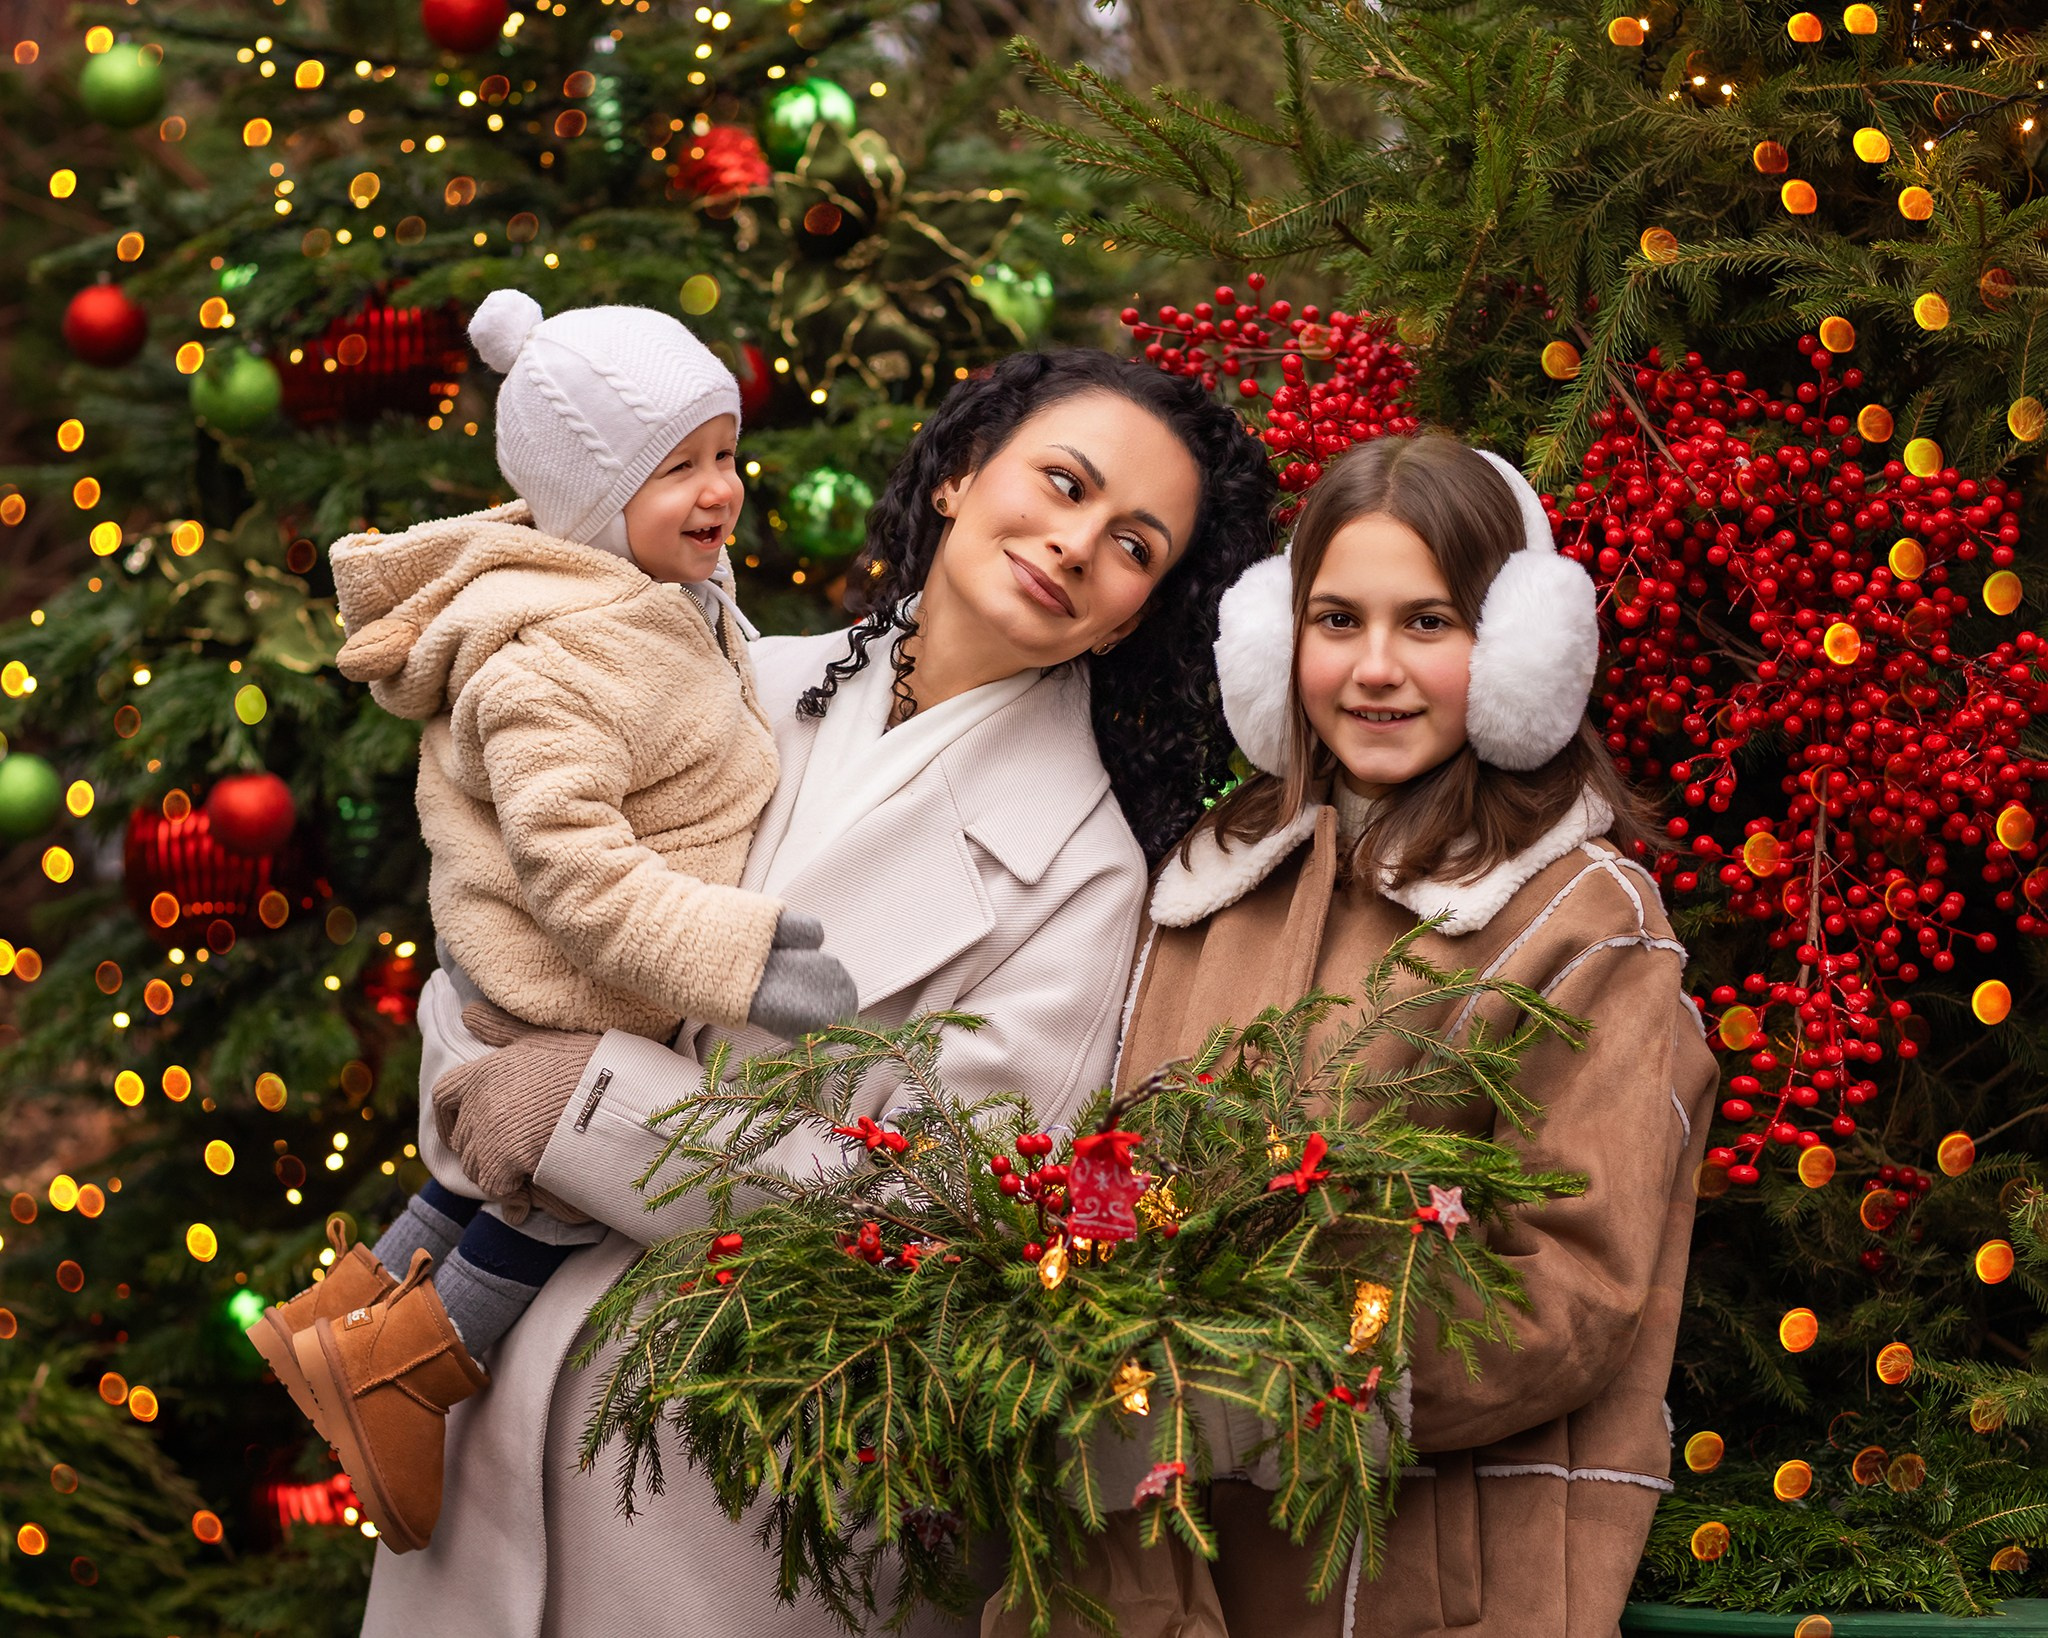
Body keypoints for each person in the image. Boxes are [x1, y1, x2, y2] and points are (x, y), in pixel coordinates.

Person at [356, 348, 1280, 1637]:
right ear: (959, 477)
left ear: (1132, 614)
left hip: (723, 1506)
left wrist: (592, 1110)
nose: (1074, 543)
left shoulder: (1083, 876)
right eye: (1059, 483)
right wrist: (489, 1074)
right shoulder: (715, 666)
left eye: (1131, 543)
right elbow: (491, 939)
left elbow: (939, 1211)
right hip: (481, 1444)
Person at [1039, 431, 1719, 1638]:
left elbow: (1567, 1282)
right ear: (1278, 640)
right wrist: (1072, 1318)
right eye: (1337, 620)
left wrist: (1278, 1384)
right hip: (1167, 1547)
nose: (1373, 670)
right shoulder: (1216, 882)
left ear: (1516, 654)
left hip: (1416, 1572)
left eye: (1428, 624)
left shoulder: (1581, 921)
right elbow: (1117, 1159)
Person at [247, 289, 859, 1554]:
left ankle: (340, 1311)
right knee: (554, 1187)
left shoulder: (642, 593)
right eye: (675, 468)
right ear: (587, 498)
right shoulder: (552, 659)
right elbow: (575, 879)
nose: (719, 491)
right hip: (558, 975)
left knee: (479, 1174)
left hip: (555, 962)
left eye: (724, 454)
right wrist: (741, 957)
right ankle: (407, 1367)